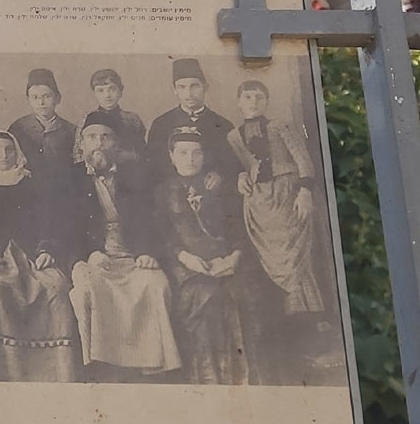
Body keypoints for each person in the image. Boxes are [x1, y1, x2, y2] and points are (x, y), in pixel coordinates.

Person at [61, 116, 180, 377]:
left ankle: (150, 368)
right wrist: (88, 254)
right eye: (92, 137)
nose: (99, 144)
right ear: (81, 145)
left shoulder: (137, 177)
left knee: (156, 286)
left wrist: (148, 252)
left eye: (106, 137)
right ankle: (100, 367)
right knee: (87, 290)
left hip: (132, 255)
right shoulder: (69, 179)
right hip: (94, 257)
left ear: (116, 144)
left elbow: (154, 219)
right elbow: (64, 228)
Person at [0, 131, 82, 382]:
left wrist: (46, 250)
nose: (4, 155)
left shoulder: (33, 184)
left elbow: (49, 222)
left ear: (17, 151)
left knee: (55, 287)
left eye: (9, 149)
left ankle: (56, 371)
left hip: (32, 254)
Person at [158, 126, 252, 384]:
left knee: (243, 296)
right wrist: (185, 258)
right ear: (171, 155)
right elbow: (162, 237)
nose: (190, 158)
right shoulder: (162, 192)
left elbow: (237, 228)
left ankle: (244, 381)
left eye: (197, 153)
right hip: (186, 267)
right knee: (203, 299)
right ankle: (208, 381)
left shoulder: (219, 187)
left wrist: (234, 257)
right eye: (184, 152)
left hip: (225, 262)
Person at [228, 79, 325, 319]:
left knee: (296, 255)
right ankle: (285, 323)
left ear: (267, 101)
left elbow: (304, 161)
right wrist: (241, 175)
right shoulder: (233, 136)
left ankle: (312, 319)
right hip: (259, 203)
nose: (254, 102)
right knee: (268, 258)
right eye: (248, 97)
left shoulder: (280, 126)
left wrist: (304, 192)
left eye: (259, 97)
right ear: (239, 103)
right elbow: (244, 166)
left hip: (287, 195)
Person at [146, 58, 243, 188]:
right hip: (171, 196)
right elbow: (154, 164)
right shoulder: (161, 124)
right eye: (182, 87)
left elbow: (233, 165)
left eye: (195, 86)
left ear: (205, 87)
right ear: (174, 89)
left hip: (213, 196)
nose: (189, 93)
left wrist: (220, 174)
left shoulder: (223, 125)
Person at [7, 68, 76, 182]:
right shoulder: (18, 128)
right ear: (28, 100)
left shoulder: (70, 130)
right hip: (26, 187)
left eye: (47, 96)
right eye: (35, 97)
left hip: (61, 188)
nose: (41, 103)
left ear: (57, 98)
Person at [85, 69, 147, 159]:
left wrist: (132, 156)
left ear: (121, 91)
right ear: (94, 94)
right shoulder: (87, 119)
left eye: (112, 89)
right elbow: (79, 153)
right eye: (101, 90)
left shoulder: (132, 120)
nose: (107, 95)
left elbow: (143, 152)